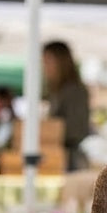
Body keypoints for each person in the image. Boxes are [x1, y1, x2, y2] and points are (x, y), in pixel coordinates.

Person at [42, 40, 91, 171]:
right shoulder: (57, 91)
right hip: (58, 156)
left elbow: (76, 129)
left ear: (60, 62)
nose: (45, 67)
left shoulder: (74, 91)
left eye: (48, 61)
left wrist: (49, 131)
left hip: (69, 160)